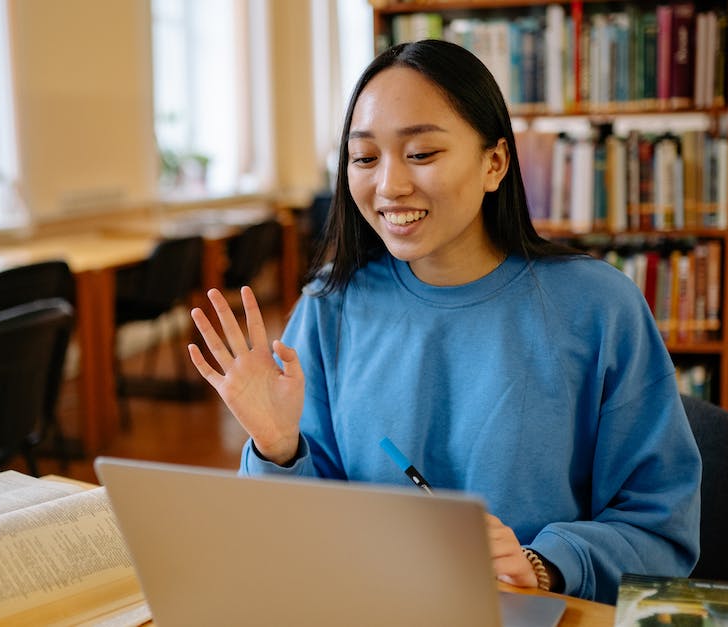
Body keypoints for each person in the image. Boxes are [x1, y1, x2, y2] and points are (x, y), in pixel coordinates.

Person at [187, 39, 700, 604]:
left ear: (494, 163)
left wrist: (543, 563)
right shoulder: (329, 305)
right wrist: (278, 449)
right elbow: (296, 541)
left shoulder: (599, 307)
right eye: (365, 158)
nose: (389, 186)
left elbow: (660, 526)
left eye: (422, 154)